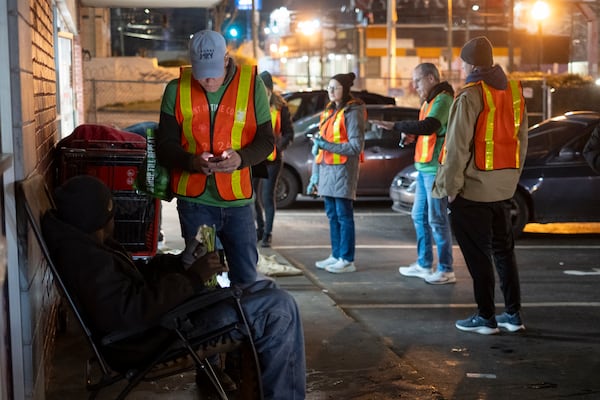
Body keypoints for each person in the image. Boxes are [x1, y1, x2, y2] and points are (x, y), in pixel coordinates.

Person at [42, 175, 306, 399]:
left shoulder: (86, 244)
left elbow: (138, 279)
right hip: (155, 337)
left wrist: (182, 263)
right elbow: (128, 313)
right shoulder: (87, 260)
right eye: (112, 215)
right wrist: (192, 279)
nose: (116, 220)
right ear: (99, 220)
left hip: (162, 325)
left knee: (266, 291)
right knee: (278, 308)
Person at [156, 30, 274, 285]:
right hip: (195, 203)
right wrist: (192, 162)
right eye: (201, 73)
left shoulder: (252, 86)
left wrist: (241, 158)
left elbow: (266, 141)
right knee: (202, 280)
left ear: (226, 59)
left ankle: (243, 324)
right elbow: (165, 145)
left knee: (245, 277)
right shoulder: (175, 89)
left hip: (238, 203)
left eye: (213, 71)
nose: (208, 81)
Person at [432, 36, 528, 335]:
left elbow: (457, 146)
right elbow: (521, 142)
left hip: (472, 189)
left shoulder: (471, 94)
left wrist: (449, 187)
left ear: (471, 64)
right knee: (503, 251)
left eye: (463, 63)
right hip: (503, 188)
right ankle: (512, 315)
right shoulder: (513, 91)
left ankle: (485, 317)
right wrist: (510, 178)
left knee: (478, 255)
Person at [371, 63, 455, 285]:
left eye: (417, 81)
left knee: (436, 219)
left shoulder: (443, 99)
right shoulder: (430, 101)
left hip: (436, 168)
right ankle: (424, 263)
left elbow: (430, 126)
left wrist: (396, 125)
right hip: (425, 167)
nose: (414, 85)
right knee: (420, 216)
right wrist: (411, 135)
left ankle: (446, 269)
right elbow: (427, 130)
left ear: (430, 78)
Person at [307, 72, 366, 274]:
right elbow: (323, 144)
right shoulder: (330, 111)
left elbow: (355, 147)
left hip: (342, 171)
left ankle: (347, 259)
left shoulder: (353, 111)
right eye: (329, 87)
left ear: (345, 90)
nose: (331, 91)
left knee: (343, 215)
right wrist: (315, 173)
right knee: (332, 215)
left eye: (336, 87)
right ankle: (336, 255)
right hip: (327, 170)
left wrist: (326, 145)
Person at [253, 71, 294, 248]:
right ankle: (259, 229)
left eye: (265, 89)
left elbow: (289, 133)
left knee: (267, 197)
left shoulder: (280, 107)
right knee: (252, 196)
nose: (263, 92)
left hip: (273, 159)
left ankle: (268, 234)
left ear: (270, 89)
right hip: (255, 157)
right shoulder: (252, 105)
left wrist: (277, 147)